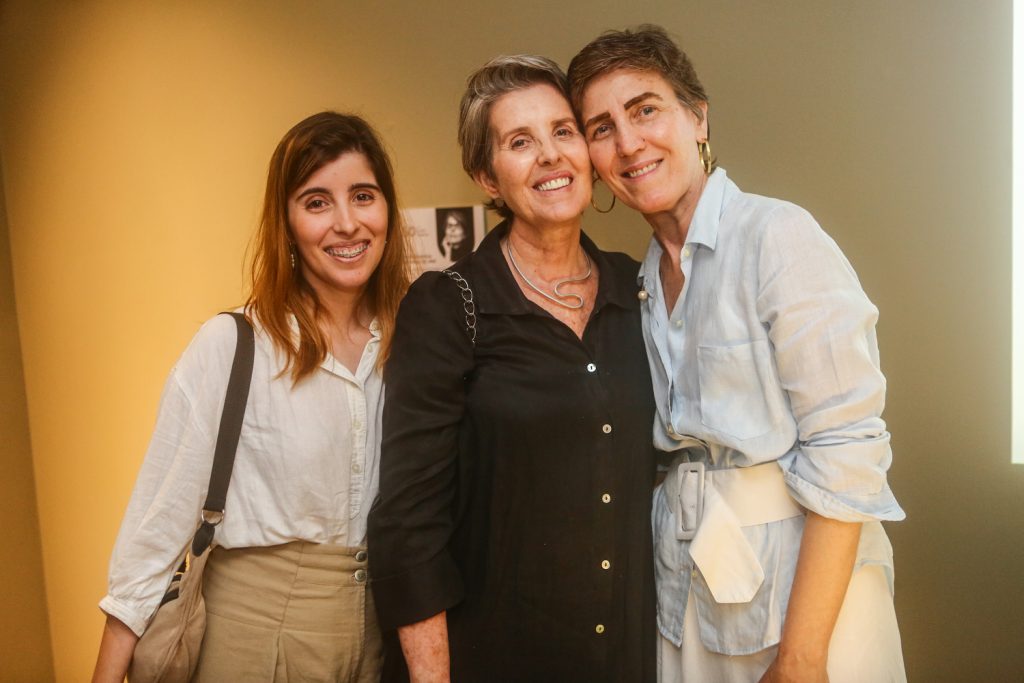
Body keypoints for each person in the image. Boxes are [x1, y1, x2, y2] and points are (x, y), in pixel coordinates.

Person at [568, 25, 907, 683]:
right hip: (691, 591)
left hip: (807, 604)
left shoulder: (777, 236)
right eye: (601, 127)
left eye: (645, 109)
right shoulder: (638, 282)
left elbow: (849, 446)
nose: (629, 141)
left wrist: (803, 656)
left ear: (698, 118)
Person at [91, 111, 410, 683]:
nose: (346, 223)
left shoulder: (412, 347)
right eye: (316, 202)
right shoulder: (234, 345)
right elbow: (154, 536)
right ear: (285, 224)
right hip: (256, 638)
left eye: (363, 196)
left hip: (379, 639)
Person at [368, 55, 657, 682]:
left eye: (563, 131)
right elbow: (407, 521)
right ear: (488, 178)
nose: (550, 155)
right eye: (520, 142)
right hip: (491, 658)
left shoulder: (640, 290)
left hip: (623, 661)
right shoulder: (449, 305)